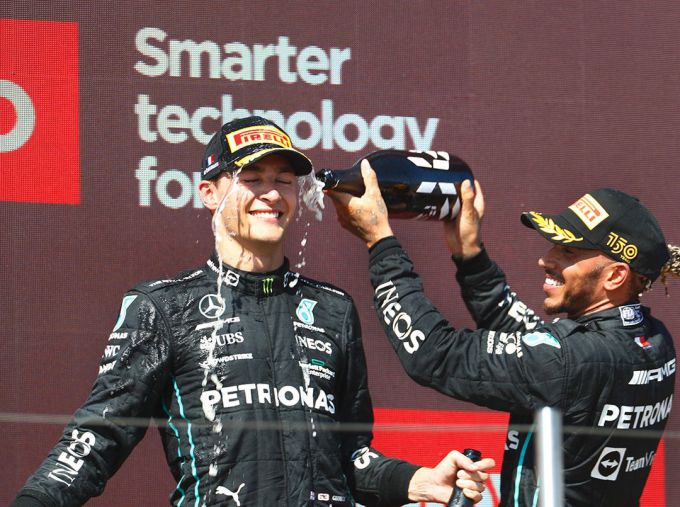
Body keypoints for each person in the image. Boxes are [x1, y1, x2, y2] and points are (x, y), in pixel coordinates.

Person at [12, 117, 494, 507]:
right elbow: (96, 438)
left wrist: (419, 481)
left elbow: (349, 457)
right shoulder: (164, 306)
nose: (272, 194)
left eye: (284, 181)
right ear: (209, 194)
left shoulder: (333, 309)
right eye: (252, 179)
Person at [327, 160, 678, 506]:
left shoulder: (574, 358)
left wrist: (381, 243)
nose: (546, 259)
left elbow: (434, 353)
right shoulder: (653, 340)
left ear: (615, 276)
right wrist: (469, 255)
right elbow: (529, 337)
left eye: (567, 251)